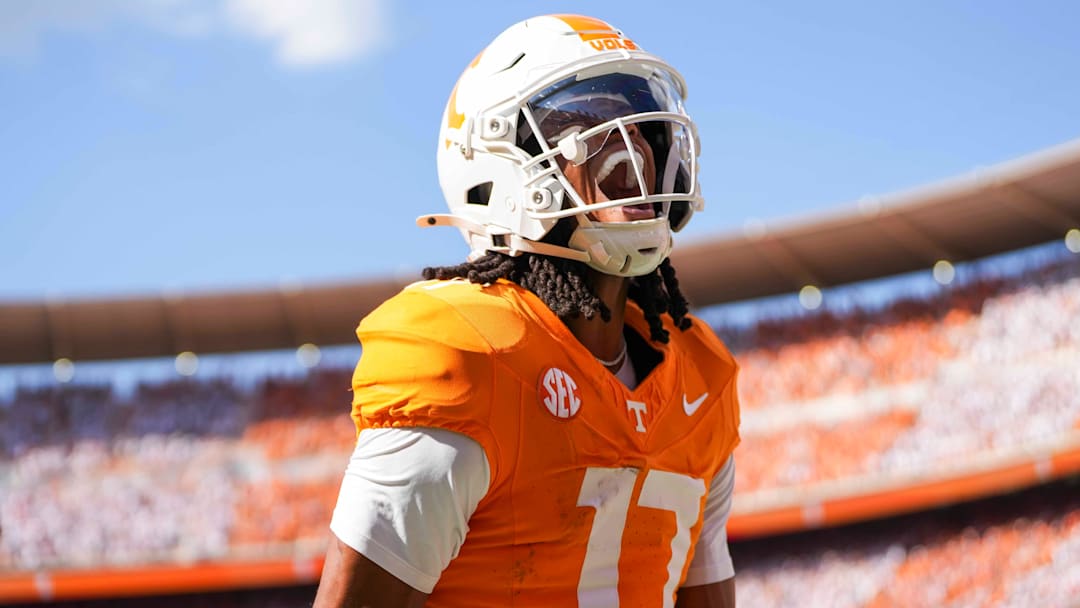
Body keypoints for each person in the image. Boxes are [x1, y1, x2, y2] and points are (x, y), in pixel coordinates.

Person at [314, 14, 741, 608]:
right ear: (496, 167)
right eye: (587, 119)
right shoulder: (466, 355)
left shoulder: (701, 374)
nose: (633, 144)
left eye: (640, 120)